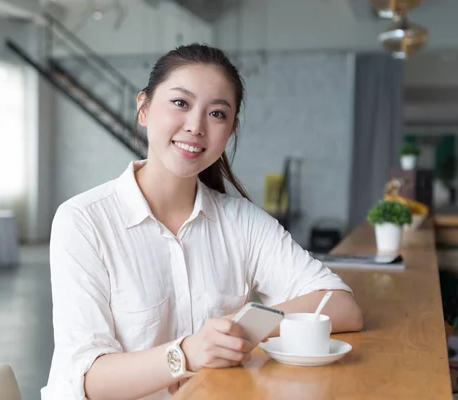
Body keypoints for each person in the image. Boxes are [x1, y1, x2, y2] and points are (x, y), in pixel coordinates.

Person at [41, 43, 363, 400]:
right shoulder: (84, 221)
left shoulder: (242, 221)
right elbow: (88, 380)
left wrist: (240, 325)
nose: (195, 126)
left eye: (217, 114)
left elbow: (340, 305)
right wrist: (188, 354)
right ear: (143, 108)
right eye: (180, 103)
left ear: (230, 131)